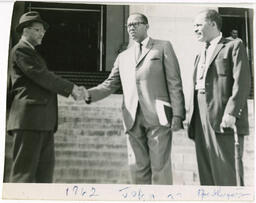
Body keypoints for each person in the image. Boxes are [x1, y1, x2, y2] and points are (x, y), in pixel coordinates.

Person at [84, 13, 185, 185]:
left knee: (160, 168)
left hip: (158, 118)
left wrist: (178, 115)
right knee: (138, 169)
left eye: (135, 24)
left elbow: (174, 82)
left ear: (146, 26)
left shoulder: (162, 47)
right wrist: (88, 94)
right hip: (132, 118)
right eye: (128, 25)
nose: (131, 28)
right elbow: (110, 84)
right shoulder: (123, 57)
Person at [7, 11, 88, 183]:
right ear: (25, 31)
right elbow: (42, 76)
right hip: (29, 120)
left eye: (43, 31)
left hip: (43, 121)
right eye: (38, 30)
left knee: (44, 176)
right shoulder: (21, 50)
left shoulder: (32, 53)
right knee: (24, 174)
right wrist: (71, 88)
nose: (42, 33)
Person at [187, 9, 251, 186]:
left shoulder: (233, 45)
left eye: (199, 25)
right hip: (199, 117)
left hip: (223, 116)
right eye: (194, 26)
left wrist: (232, 112)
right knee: (206, 171)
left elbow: (243, 82)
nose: (195, 29)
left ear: (213, 24)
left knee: (226, 171)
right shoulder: (199, 54)